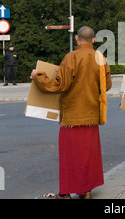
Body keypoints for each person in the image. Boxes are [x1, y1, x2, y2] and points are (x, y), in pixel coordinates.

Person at [31, 26, 112, 199]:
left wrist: (38, 76)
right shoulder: (101, 58)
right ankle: (86, 190)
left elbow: (60, 85)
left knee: (70, 157)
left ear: (76, 39)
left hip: (72, 117)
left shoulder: (71, 57)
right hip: (91, 115)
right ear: (94, 40)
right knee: (88, 156)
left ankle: (65, 193)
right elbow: (108, 85)